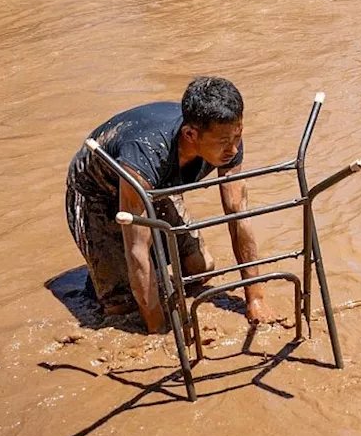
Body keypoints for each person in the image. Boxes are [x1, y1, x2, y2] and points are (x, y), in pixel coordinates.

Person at [65, 76, 284, 333]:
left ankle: (131, 278)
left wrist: (255, 299)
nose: (234, 149)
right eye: (225, 142)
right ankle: (107, 283)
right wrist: (161, 331)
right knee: (121, 306)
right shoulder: (147, 152)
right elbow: (136, 247)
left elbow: (238, 213)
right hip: (96, 191)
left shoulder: (228, 137)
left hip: (157, 183)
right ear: (190, 134)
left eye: (238, 136)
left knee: (200, 269)